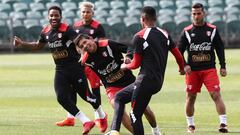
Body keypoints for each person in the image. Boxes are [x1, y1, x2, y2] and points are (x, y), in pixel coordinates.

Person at [13, 6, 107, 134]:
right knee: (61, 98)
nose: (54, 18)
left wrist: (82, 54)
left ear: (60, 16)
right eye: (51, 15)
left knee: (88, 97)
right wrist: (22, 44)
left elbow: (80, 42)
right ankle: (86, 121)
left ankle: (101, 115)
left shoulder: (67, 29)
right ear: (48, 17)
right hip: (60, 70)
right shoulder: (45, 31)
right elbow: (37, 45)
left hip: (75, 68)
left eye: (56, 15)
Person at [107, 6, 185, 135]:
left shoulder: (140, 36)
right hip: (158, 81)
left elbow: (136, 64)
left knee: (134, 115)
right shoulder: (164, 33)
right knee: (119, 97)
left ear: (142, 19)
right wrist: (181, 68)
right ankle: (114, 130)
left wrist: (124, 66)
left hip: (145, 80)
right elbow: (178, 55)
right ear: (155, 18)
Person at [74, 34, 161, 135]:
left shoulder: (107, 44)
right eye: (81, 46)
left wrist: (128, 57)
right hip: (112, 87)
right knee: (118, 109)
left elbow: (129, 48)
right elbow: (89, 71)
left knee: (145, 109)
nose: (84, 46)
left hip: (129, 81)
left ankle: (155, 130)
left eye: (85, 42)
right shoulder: (85, 60)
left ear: (91, 39)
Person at [177, 3, 228, 134]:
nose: (196, 16)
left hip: (209, 69)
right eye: (194, 13)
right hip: (192, 71)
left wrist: (223, 66)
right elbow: (178, 51)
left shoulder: (212, 30)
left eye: (198, 13)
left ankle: (223, 123)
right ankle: (191, 125)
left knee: (216, 94)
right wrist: (184, 65)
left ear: (203, 13)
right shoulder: (187, 31)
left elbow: (220, 48)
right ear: (191, 14)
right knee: (190, 97)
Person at [56, 1, 105, 127]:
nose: (85, 14)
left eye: (88, 12)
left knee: (94, 89)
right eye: (83, 12)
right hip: (79, 63)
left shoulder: (97, 27)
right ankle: (70, 118)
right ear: (80, 13)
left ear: (92, 13)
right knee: (72, 88)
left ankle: (98, 117)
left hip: (93, 63)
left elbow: (101, 44)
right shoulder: (75, 26)